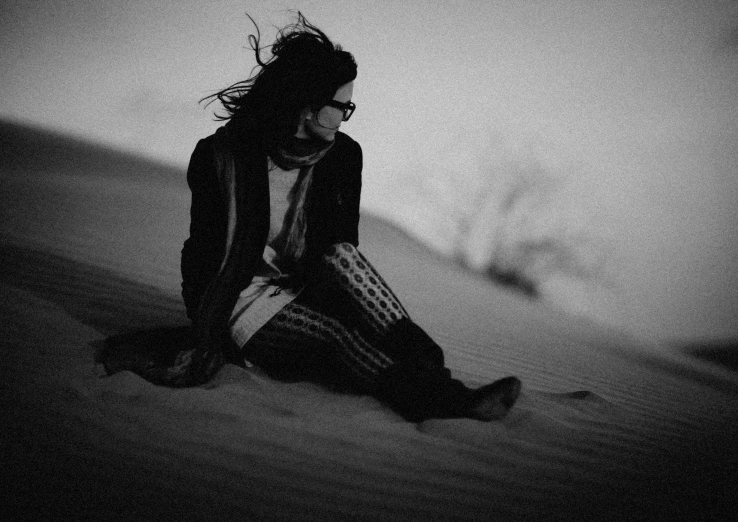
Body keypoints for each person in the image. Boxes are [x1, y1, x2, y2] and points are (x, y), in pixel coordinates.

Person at [111, 13, 520, 422]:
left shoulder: (342, 156)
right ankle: (444, 403)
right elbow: (201, 248)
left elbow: (341, 246)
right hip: (241, 297)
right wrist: (207, 322)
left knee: (344, 261)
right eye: (340, 106)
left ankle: (435, 372)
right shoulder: (222, 157)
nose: (345, 116)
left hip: (303, 284)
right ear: (307, 107)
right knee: (338, 337)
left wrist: (351, 307)